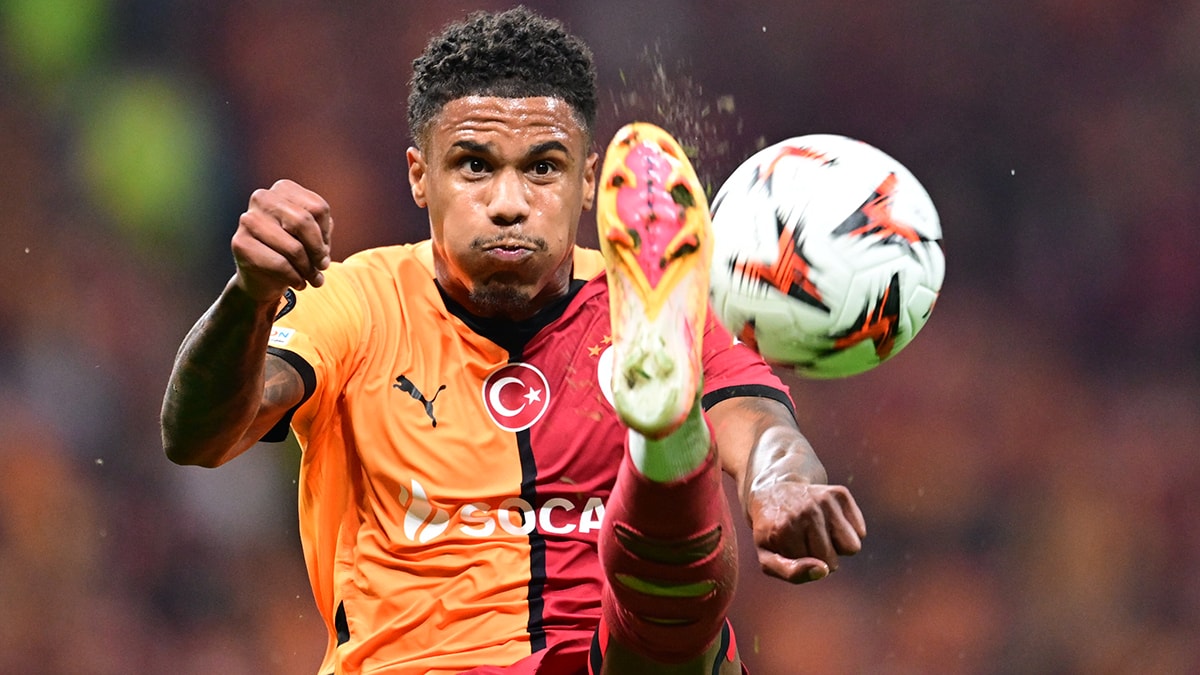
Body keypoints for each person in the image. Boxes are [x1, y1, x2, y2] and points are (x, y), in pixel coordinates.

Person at [161, 7, 865, 675]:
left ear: (588, 182)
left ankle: (667, 434)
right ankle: (667, 444)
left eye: (543, 167)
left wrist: (778, 482)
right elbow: (197, 437)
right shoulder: (354, 300)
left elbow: (758, 423)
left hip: (605, 659)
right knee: (671, 628)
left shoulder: (649, 302)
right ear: (420, 176)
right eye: (474, 165)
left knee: (662, 634)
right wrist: (249, 297)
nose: (508, 203)